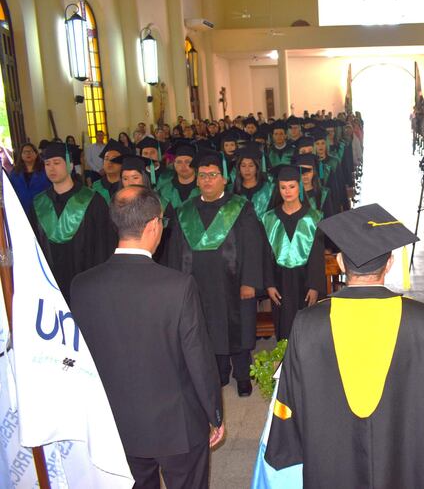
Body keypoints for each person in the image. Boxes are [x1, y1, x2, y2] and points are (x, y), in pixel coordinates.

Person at [265, 203, 424, 486]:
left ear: (341, 263)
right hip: (404, 464)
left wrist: (286, 446)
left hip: (331, 466)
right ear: (390, 264)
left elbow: (290, 394)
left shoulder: (308, 322)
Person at [70, 186, 224, 489]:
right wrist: (214, 413)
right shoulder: (178, 286)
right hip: (178, 425)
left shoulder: (81, 286)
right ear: (154, 225)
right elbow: (198, 358)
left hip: (114, 424)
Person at [165, 151, 263, 396]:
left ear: (225, 179)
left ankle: (242, 375)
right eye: (202, 175)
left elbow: (253, 246)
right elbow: (175, 251)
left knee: (238, 328)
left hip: (234, 283)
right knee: (206, 328)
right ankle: (218, 372)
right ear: (197, 180)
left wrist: (249, 282)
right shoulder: (185, 211)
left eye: (213, 175)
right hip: (197, 283)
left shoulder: (240, 208)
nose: (207, 180)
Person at [28, 142, 113, 303]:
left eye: (57, 163)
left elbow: (104, 245)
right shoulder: (38, 203)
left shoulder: (93, 201)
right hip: (50, 288)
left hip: (87, 287)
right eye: (47, 164)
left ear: (70, 164)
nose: (51, 168)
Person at [262, 165, 326, 340]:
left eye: (292, 186)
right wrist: (269, 284)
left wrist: (314, 286)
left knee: (307, 328)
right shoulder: (269, 218)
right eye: (283, 187)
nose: (287, 191)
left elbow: (316, 256)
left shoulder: (314, 217)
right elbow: (266, 255)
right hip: (279, 281)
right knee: (283, 329)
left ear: (299, 187)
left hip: (305, 281)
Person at [9, 142, 51, 215]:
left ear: (36, 154)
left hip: (43, 210)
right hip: (22, 210)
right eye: (25, 152)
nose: (28, 153)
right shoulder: (15, 172)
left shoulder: (45, 169)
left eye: (30, 151)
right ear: (21, 155)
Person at [157, 141, 200, 209]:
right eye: (179, 162)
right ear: (174, 164)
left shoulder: (204, 188)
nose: (183, 166)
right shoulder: (164, 190)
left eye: (188, 162)